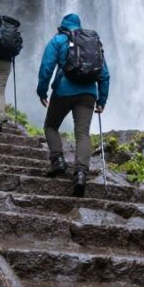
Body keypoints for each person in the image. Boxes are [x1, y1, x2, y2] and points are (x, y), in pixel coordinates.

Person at [37, 13, 110, 198]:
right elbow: (104, 73)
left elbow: (47, 67)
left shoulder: (59, 40)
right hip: (88, 95)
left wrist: (42, 91)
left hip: (63, 91)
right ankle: (80, 174)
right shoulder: (92, 42)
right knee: (82, 134)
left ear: (62, 25)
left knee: (51, 126)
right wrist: (102, 100)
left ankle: (58, 161)